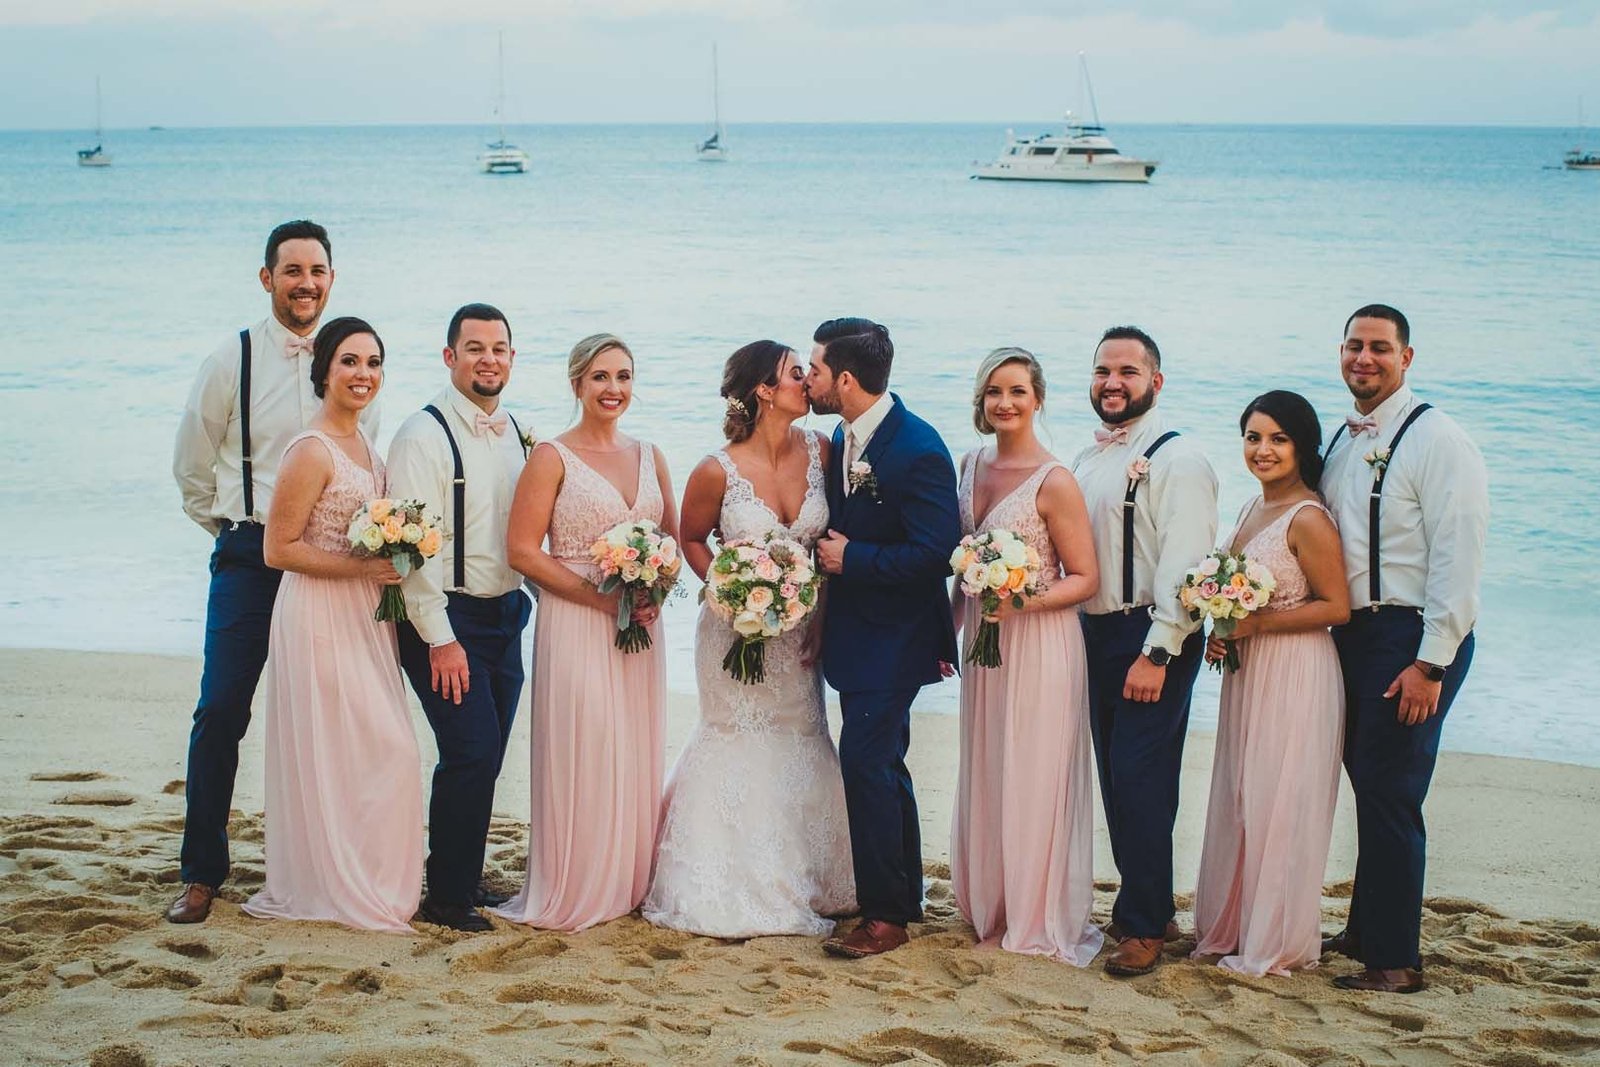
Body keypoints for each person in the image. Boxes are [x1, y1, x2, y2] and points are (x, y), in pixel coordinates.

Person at [168, 220, 376, 924]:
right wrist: (233, 528)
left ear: (331, 278)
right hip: (251, 559)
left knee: (344, 711)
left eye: (317, 270)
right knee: (222, 706)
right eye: (292, 271)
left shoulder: (353, 359)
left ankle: (340, 857)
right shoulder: (234, 358)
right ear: (267, 279)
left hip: (329, 570)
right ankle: (201, 872)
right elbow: (192, 465)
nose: (306, 283)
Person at [642, 341, 856, 937]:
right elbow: (690, 538)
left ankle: (818, 878)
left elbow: (834, 538)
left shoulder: (822, 449)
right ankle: (728, 880)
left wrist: (816, 609)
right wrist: (731, 593)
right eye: (796, 374)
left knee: (803, 736)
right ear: (764, 389)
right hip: (732, 631)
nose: (807, 383)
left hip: (803, 632)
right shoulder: (717, 468)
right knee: (736, 737)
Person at [1319, 305, 1488, 994]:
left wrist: (1430, 663)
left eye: (1380, 348)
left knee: (1392, 792)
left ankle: (1395, 960)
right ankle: (1364, 929)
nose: (1365, 358)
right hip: (1355, 634)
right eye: (1355, 345)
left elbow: (1459, 556)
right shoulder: (1341, 437)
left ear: (1407, 357)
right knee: (1369, 782)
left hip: (1412, 638)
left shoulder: (1439, 439)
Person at [240, 317, 423, 932]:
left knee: (379, 750)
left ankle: (366, 875)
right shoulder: (309, 449)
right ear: (324, 370)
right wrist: (362, 565)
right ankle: (328, 883)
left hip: (367, 619)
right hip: (317, 612)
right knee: (352, 748)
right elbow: (278, 549)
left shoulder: (369, 447)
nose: (363, 375)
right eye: (350, 362)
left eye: (373, 363)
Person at [496, 334, 676, 932]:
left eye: (623, 376)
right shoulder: (551, 455)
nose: (613, 389)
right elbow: (522, 550)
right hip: (574, 620)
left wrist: (653, 590)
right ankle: (577, 882)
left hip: (640, 629)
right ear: (577, 384)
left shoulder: (651, 454)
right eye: (600, 377)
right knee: (587, 742)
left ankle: (627, 880)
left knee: (632, 745)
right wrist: (601, 599)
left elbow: (670, 546)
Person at [806, 317, 960, 959]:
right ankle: (907, 894)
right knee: (883, 765)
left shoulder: (918, 448)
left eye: (814, 369)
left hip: (896, 638)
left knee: (866, 764)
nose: (805, 379)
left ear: (844, 378)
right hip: (856, 636)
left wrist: (855, 561)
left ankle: (885, 916)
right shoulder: (845, 435)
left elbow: (936, 551)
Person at [1071, 325, 1218, 977]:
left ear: (1156, 382)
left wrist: (1159, 650)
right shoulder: (1087, 459)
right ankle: (1148, 907)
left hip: (1152, 636)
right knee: (1115, 775)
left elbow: (1187, 566)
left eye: (1128, 371)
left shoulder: (1178, 458)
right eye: (1104, 370)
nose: (1113, 382)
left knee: (1139, 778)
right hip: (1095, 634)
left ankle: (1144, 924)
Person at [947, 347, 1103, 965]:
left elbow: (1084, 578)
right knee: (989, 763)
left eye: (1016, 391)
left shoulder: (1054, 479)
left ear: (1037, 398)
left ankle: (1036, 911)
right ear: (981, 402)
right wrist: (948, 630)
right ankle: (994, 903)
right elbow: (959, 567)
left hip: (1039, 642)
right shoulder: (968, 466)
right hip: (983, 646)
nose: (1004, 403)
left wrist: (1023, 600)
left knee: (1033, 771)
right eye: (993, 392)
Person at [1191, 390, 1349, 976]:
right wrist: (1222, 626)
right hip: (1249, 670)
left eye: (1278, 439)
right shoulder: (1250, 509)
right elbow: (1237, 595)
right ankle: (1235, 925)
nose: (1263, 450)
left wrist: (1257, 622)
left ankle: (1276, 938)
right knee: (1242, 795)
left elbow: (1337, 606)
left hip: (1296, 672)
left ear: (1302, 447)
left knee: (1278, 799)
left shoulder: (1309, 517)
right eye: (1254, 437)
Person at [387, 304, 533, 933]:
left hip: (505, 615)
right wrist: (440, 641)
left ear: (511, 357)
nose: (489, 359)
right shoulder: (422, 435)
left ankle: (461, 874)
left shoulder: (519, 432)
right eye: (474, 348)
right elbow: (410, 550)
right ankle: (445, 898)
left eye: (499, 348)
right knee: (469, 752)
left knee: (488, 755)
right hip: (445, 620)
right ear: (450, 358)